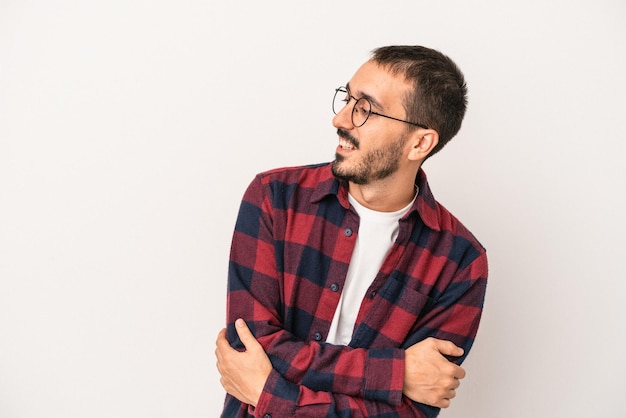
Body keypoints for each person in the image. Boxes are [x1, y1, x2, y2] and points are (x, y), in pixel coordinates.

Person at [215, 45, 488, 417]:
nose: (341, 119)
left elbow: (407, 413)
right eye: (347, 99)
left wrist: (270, 394)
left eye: (365, 109)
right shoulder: (274, 199)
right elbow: (249, 346)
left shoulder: (460, 261)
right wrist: (398, 371)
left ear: (420, 143)